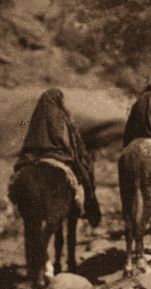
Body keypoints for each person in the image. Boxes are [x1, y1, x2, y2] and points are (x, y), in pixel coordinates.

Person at [14, 88, 101, 226]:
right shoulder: (60, 115)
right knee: (84, 178)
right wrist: (71, 152)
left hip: (34, 155)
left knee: (16, 177)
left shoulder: (36, 116)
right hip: (57, 153)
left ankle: (16, 203)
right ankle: (85, 208)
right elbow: (63, 138)